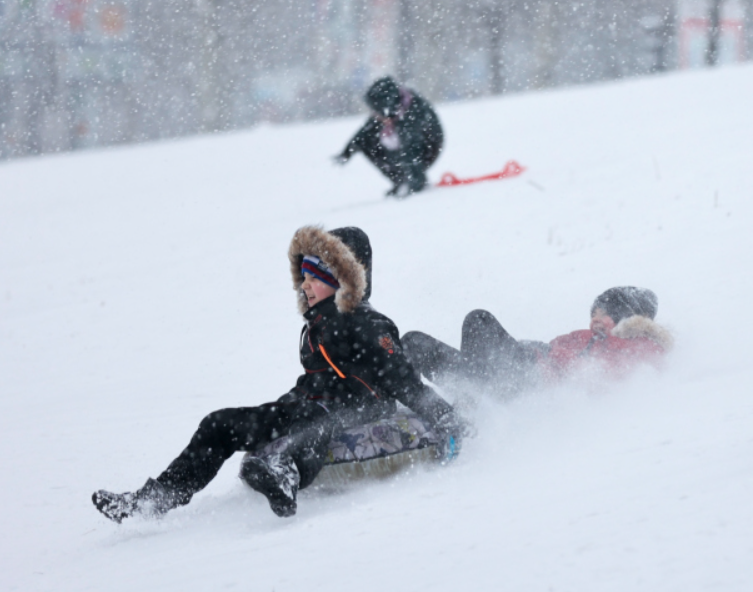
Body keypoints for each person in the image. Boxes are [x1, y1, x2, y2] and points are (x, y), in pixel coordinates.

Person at [92, 226, 462, 521]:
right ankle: (153, 500)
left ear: (343, 279)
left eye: (314, 277)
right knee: (219, 424)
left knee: (316, 423)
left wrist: (446, 417)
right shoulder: (316, 324)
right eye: (303, 276)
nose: (304, 285)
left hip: (357, 409)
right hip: (305, 404)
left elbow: (403, 380)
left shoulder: (367, 323)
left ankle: (286, 475)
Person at [402, 287, 672, 396]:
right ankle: (441, 402)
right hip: (522, 366)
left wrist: (548, 361)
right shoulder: (581, 336)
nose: (597, 319)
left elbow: (610, 376)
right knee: (413, 342)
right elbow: (551, 347)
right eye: (595, 313)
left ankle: (477, 396)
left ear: (630, 320)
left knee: (479, 319)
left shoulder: (638, 346)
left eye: (609, 313)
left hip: (534, 382)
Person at [333, 76, 444, 197]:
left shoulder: (413, 112)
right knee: (368, 142)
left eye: (377, 112)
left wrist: (416, 184)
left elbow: (412, 150)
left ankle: (412, 181)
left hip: (428, 149)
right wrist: (346, 153)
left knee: (407, 145)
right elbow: (364, 133)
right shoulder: (392, 104)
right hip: (404, 148)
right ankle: (400, 181)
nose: (375, 115)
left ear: (388, 108)